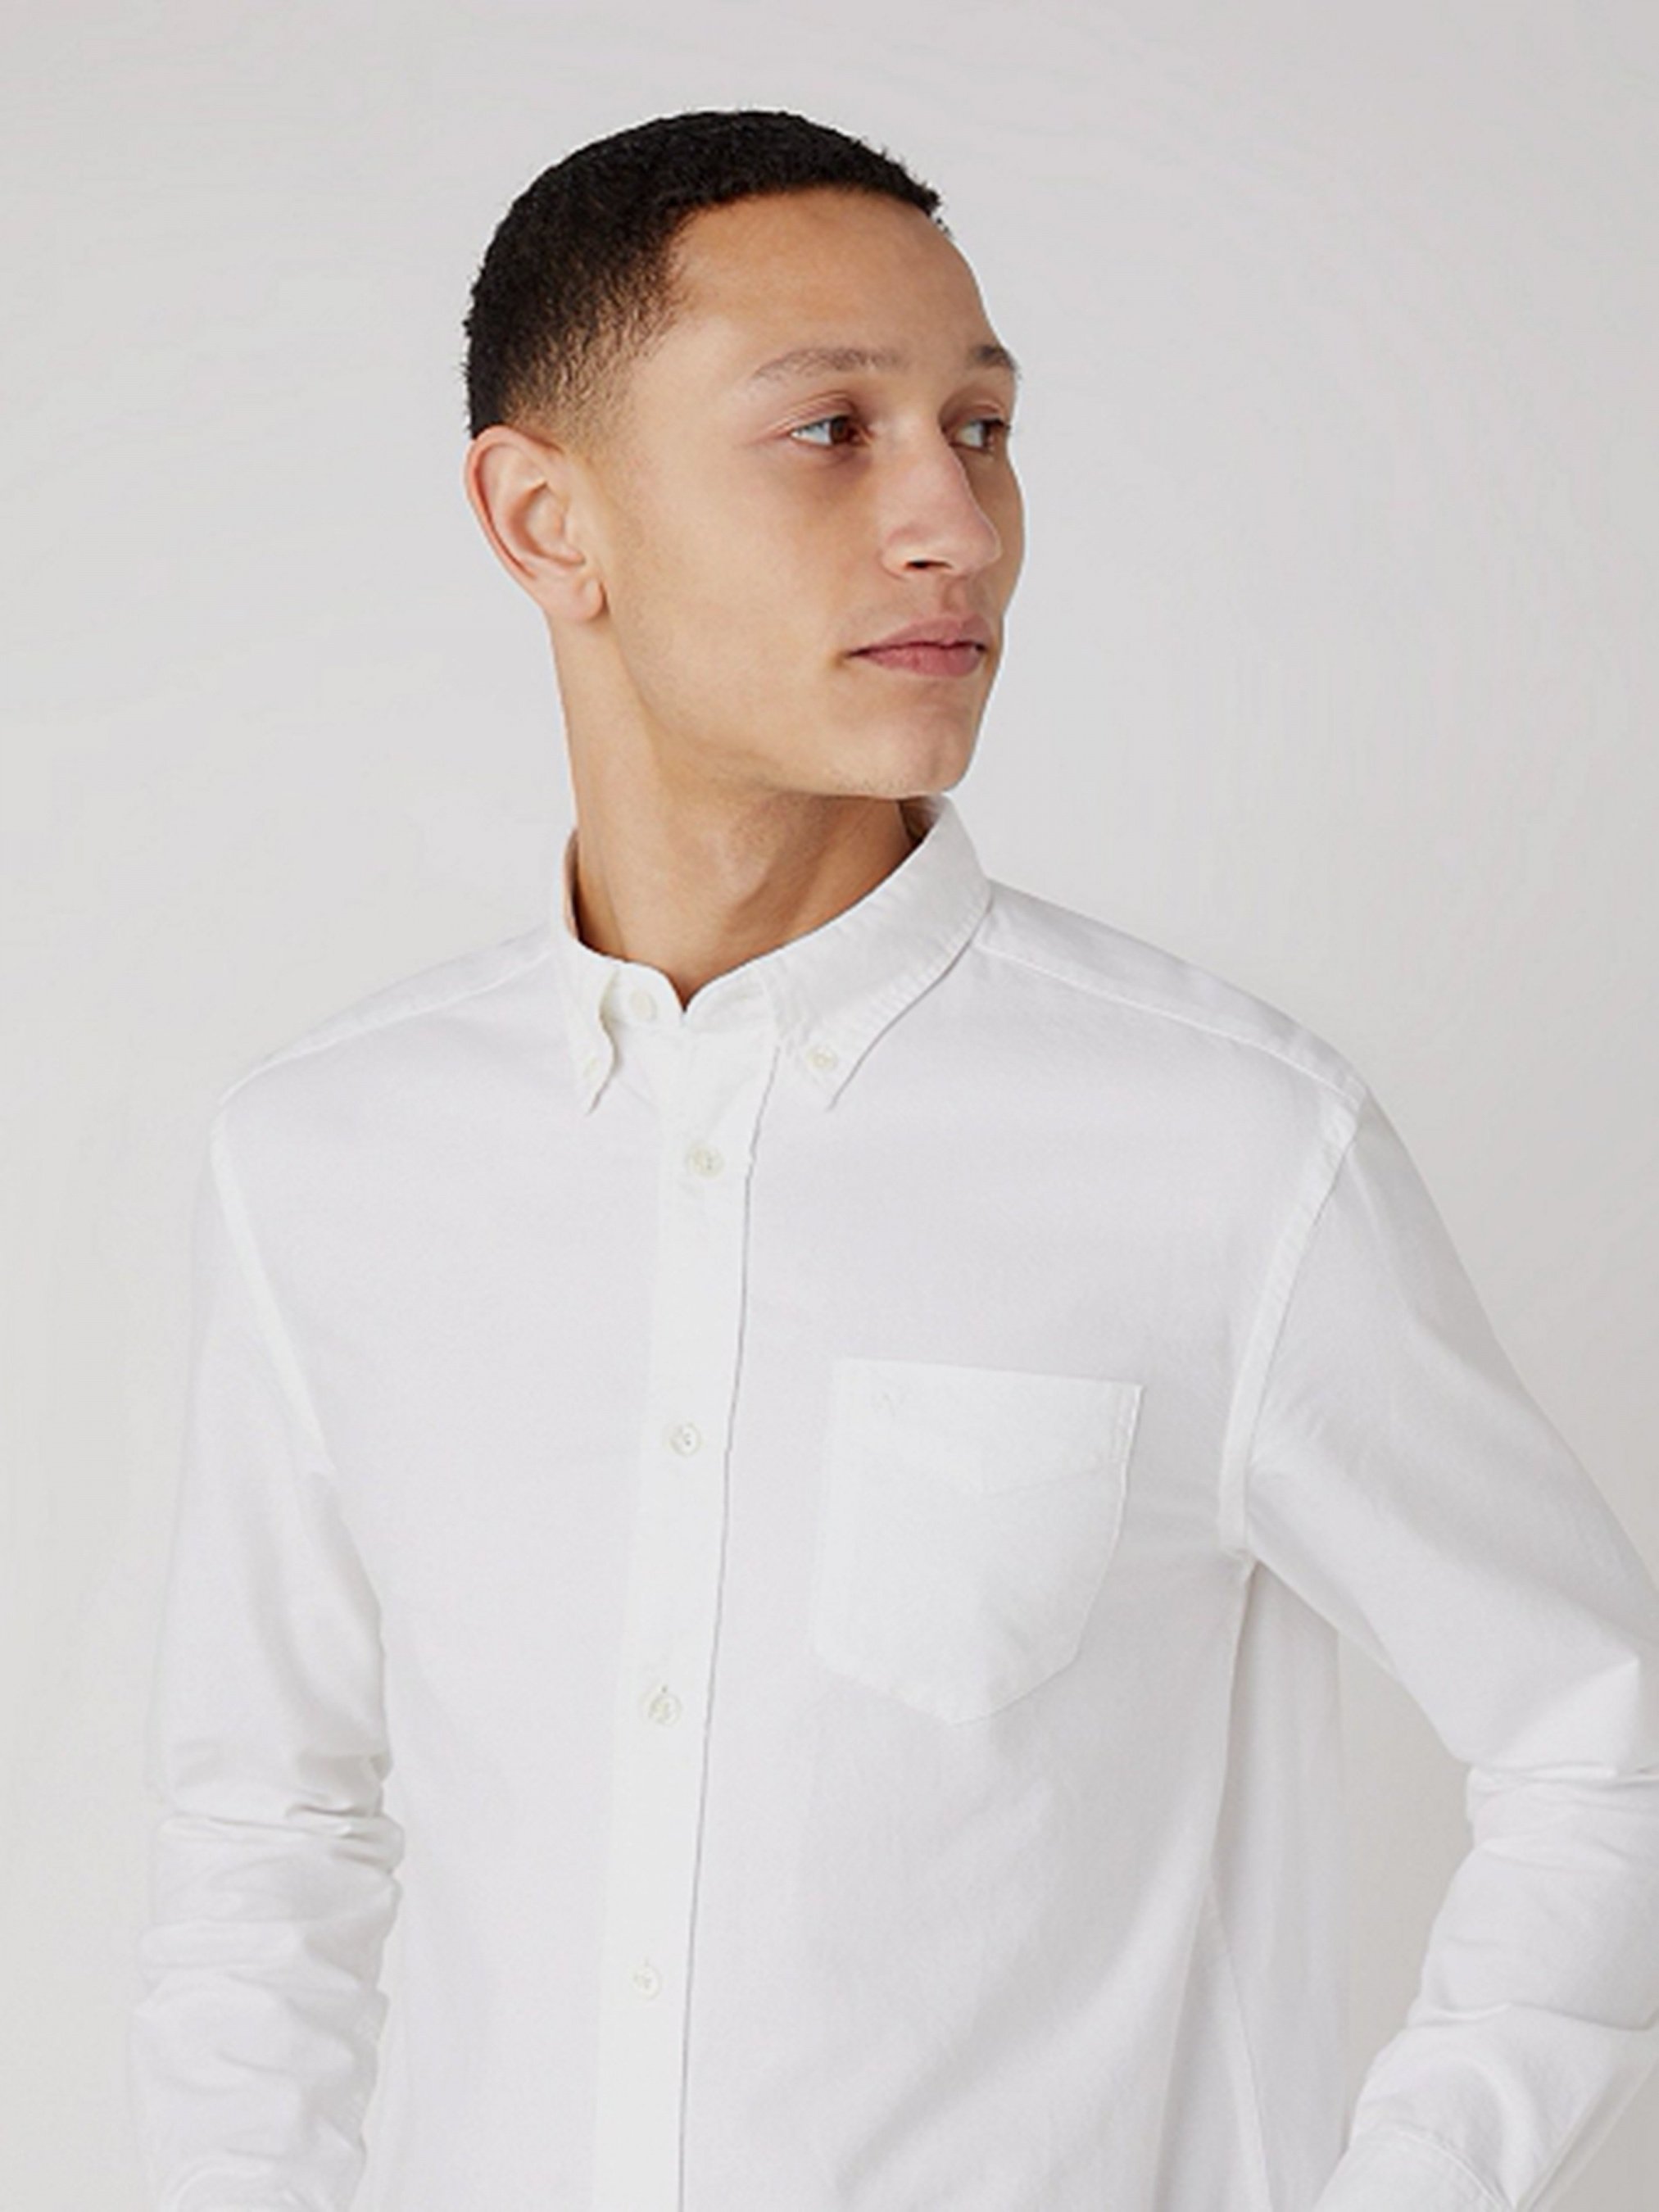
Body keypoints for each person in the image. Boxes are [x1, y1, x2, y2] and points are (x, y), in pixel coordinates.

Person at [127, 107, 1659, 2211]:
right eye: (829, 431)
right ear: (545, 520)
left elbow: (1599, 1738)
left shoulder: (1222, 1148)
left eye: (983, 429)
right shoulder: (326, 1160)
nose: (954, 523)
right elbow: (267, 1835)